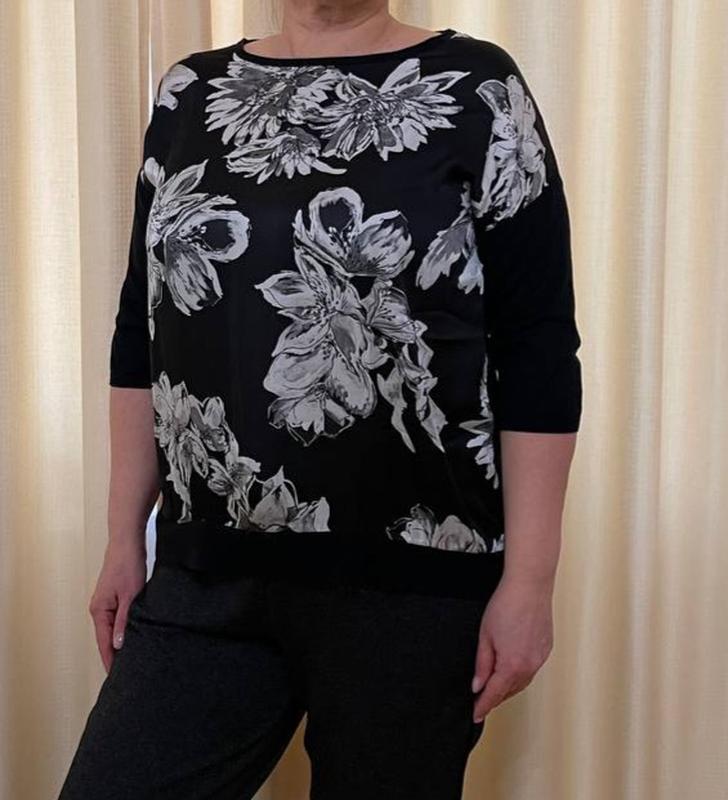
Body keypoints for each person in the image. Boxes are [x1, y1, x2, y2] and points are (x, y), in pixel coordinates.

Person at [57, 2, 582, 798]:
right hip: (207, 571)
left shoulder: (477, 85)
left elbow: (537, 346)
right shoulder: (190, 93)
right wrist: (124, 537)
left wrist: (531, 582)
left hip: (414, 587)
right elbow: (144, 326)